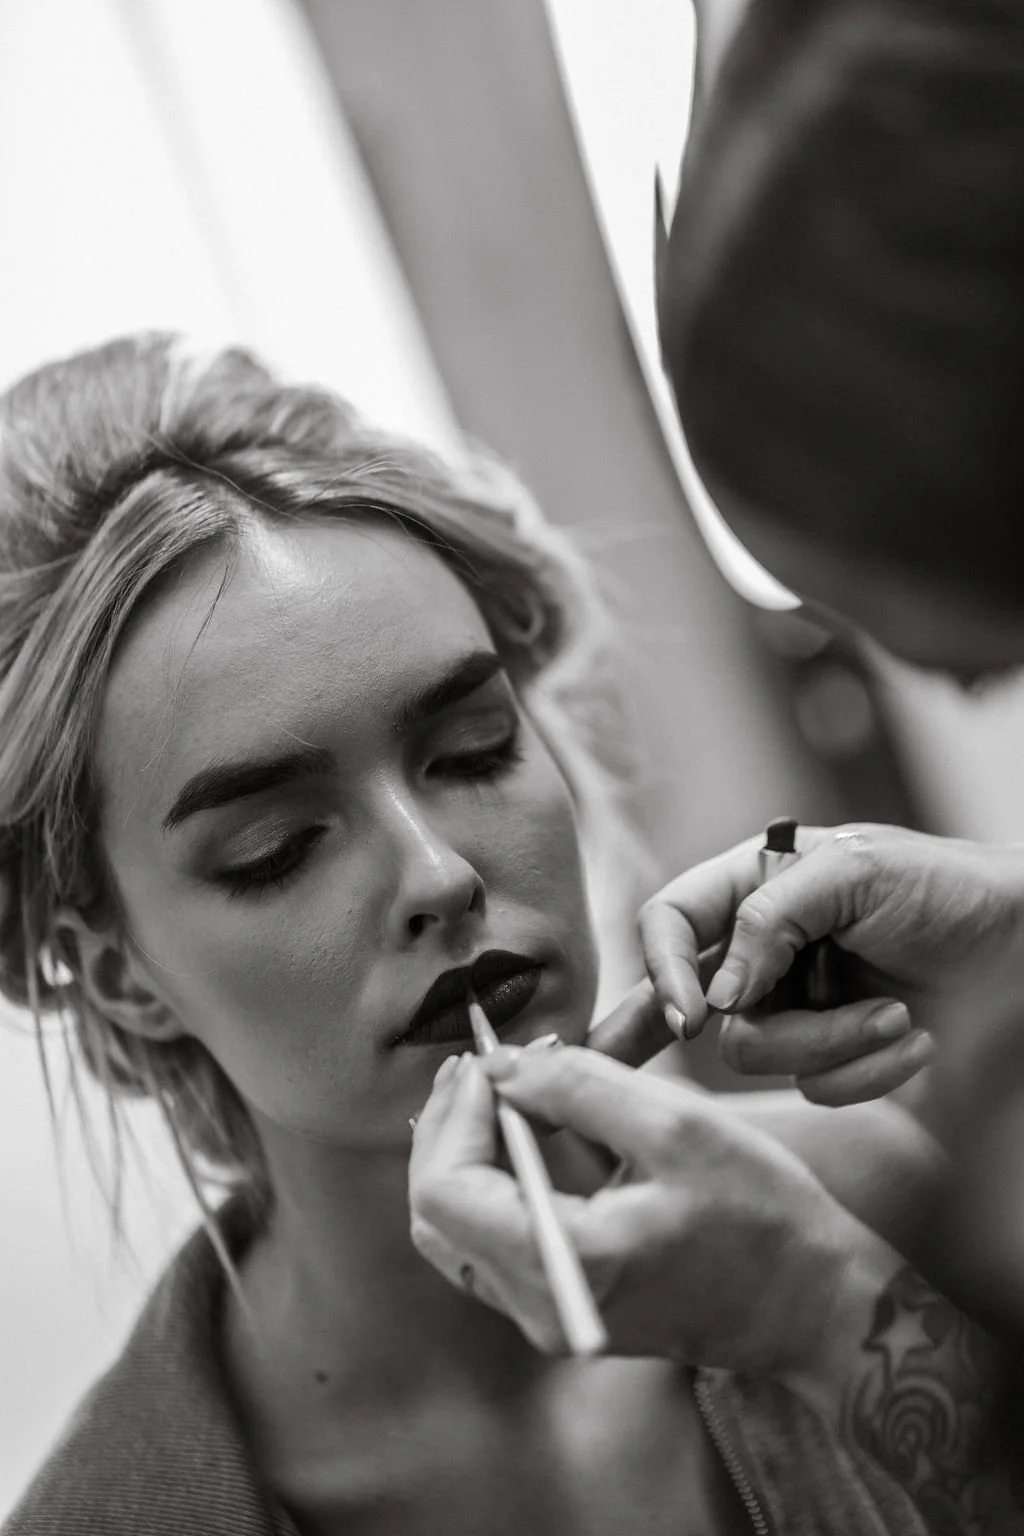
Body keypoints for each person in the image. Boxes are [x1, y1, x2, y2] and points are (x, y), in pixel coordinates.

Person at [1, 333, 952, 1535]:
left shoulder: (887, 1206)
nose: (439, 876)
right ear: (118, 975)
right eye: (276, 849)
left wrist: (824, 1311)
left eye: (473, 751)